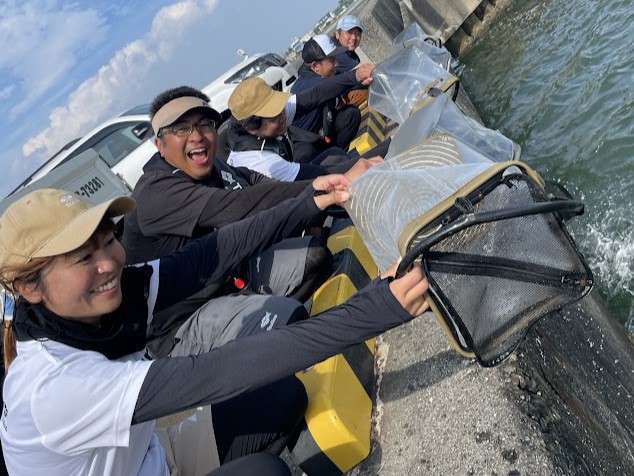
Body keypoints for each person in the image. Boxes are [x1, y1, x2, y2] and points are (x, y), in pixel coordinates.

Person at [0, 185, 429, 476]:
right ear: (28, 287)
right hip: (146, 461)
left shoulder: (95, 305)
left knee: (284, 393)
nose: (109, 263)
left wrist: (309, 203)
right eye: (82, 257)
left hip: (152, 456)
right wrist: (376, 309)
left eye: (108, 240)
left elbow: (208, 257)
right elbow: (218, 371)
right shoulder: (54, 387)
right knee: (266, 472)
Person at [122, 88, 338, 357]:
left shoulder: (214, 167)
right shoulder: (154, 192)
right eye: (181, 129)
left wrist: (329, 181)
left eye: (205, 124)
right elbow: (239, 207)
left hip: (230, 279)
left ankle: (259, 333)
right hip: (182, 321)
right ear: (160, 144)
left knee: (317, 256)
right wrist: (314, 191)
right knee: (286, 319)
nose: (197, 136)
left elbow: (257, 184)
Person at [226, 70, 384, 181]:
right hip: (280, 212)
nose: (283, 117)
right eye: (274, 115)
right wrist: (389, 145)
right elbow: (320, 174)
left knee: (335, 155)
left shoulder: (266, 122)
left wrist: (354, 76)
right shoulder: (262, 163)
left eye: (280, 109)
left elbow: (315, 96)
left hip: (290, 184)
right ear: (251, 128)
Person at [291, 34, 362, 151]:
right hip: (308, 151)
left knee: (350, 114)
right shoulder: (312, 85)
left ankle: (339, 152)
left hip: (322, 135)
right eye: (332, 60)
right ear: (315, 66)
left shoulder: (314, 77)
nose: (337, 64)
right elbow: (339, 84)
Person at [332, 15, 368, 106]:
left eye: (357, 33)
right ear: (337, 34)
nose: (354, 37)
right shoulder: (336, 53)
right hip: (336, 102)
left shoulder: (349, 52)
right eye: (349, 32)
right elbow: (366, 72)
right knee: (365, 93)